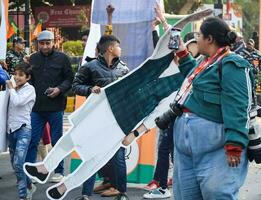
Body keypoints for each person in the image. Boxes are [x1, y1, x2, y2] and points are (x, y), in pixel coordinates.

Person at [24, 35, 129, 200]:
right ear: (110, 48)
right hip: (91, 118)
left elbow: (127, 93)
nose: (121, 49)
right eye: (118, 46)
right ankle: (84, 194)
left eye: (47, 43)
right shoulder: (90, 67)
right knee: (89, 153)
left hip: (115, 119)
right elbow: (76, 85)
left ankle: (122, 193)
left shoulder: (123, 68)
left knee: (118, 156)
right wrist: (89, 89)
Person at [171, 17, 252, 200]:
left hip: (217, 150)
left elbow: (239, 106)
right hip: (186, 150)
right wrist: (183, 54)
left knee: (218, 195)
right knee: (185, 196)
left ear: (209, 39)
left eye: (199, 35)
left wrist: (235, 144)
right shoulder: (206, 62)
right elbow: (196, 79)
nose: (196, 39)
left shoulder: (233, 64)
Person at [25, 30, 74, 186]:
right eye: (42, 43)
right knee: (32, 140)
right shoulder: (32, 58)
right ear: (37, 43)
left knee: (56, 140)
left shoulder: (63, 58)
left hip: (56, 106)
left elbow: (70, 79)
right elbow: (28, 79)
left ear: (54, 43)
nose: (45, 46)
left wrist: (59, 89)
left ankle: (59, 172)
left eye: (48, 43)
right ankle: (30, 172)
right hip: (37, 107)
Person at [6, 63, 36, 200]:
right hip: (10, 130)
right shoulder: (11, 88)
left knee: (18, 163)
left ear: (28, 77)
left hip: (24, 129)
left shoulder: (30, 90)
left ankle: (23, 195)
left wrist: (11, 88)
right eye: (15, 74)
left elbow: (17, 102)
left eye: (21, 75)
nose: (17, 77)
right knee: (14, 164)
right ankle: (29, 185)